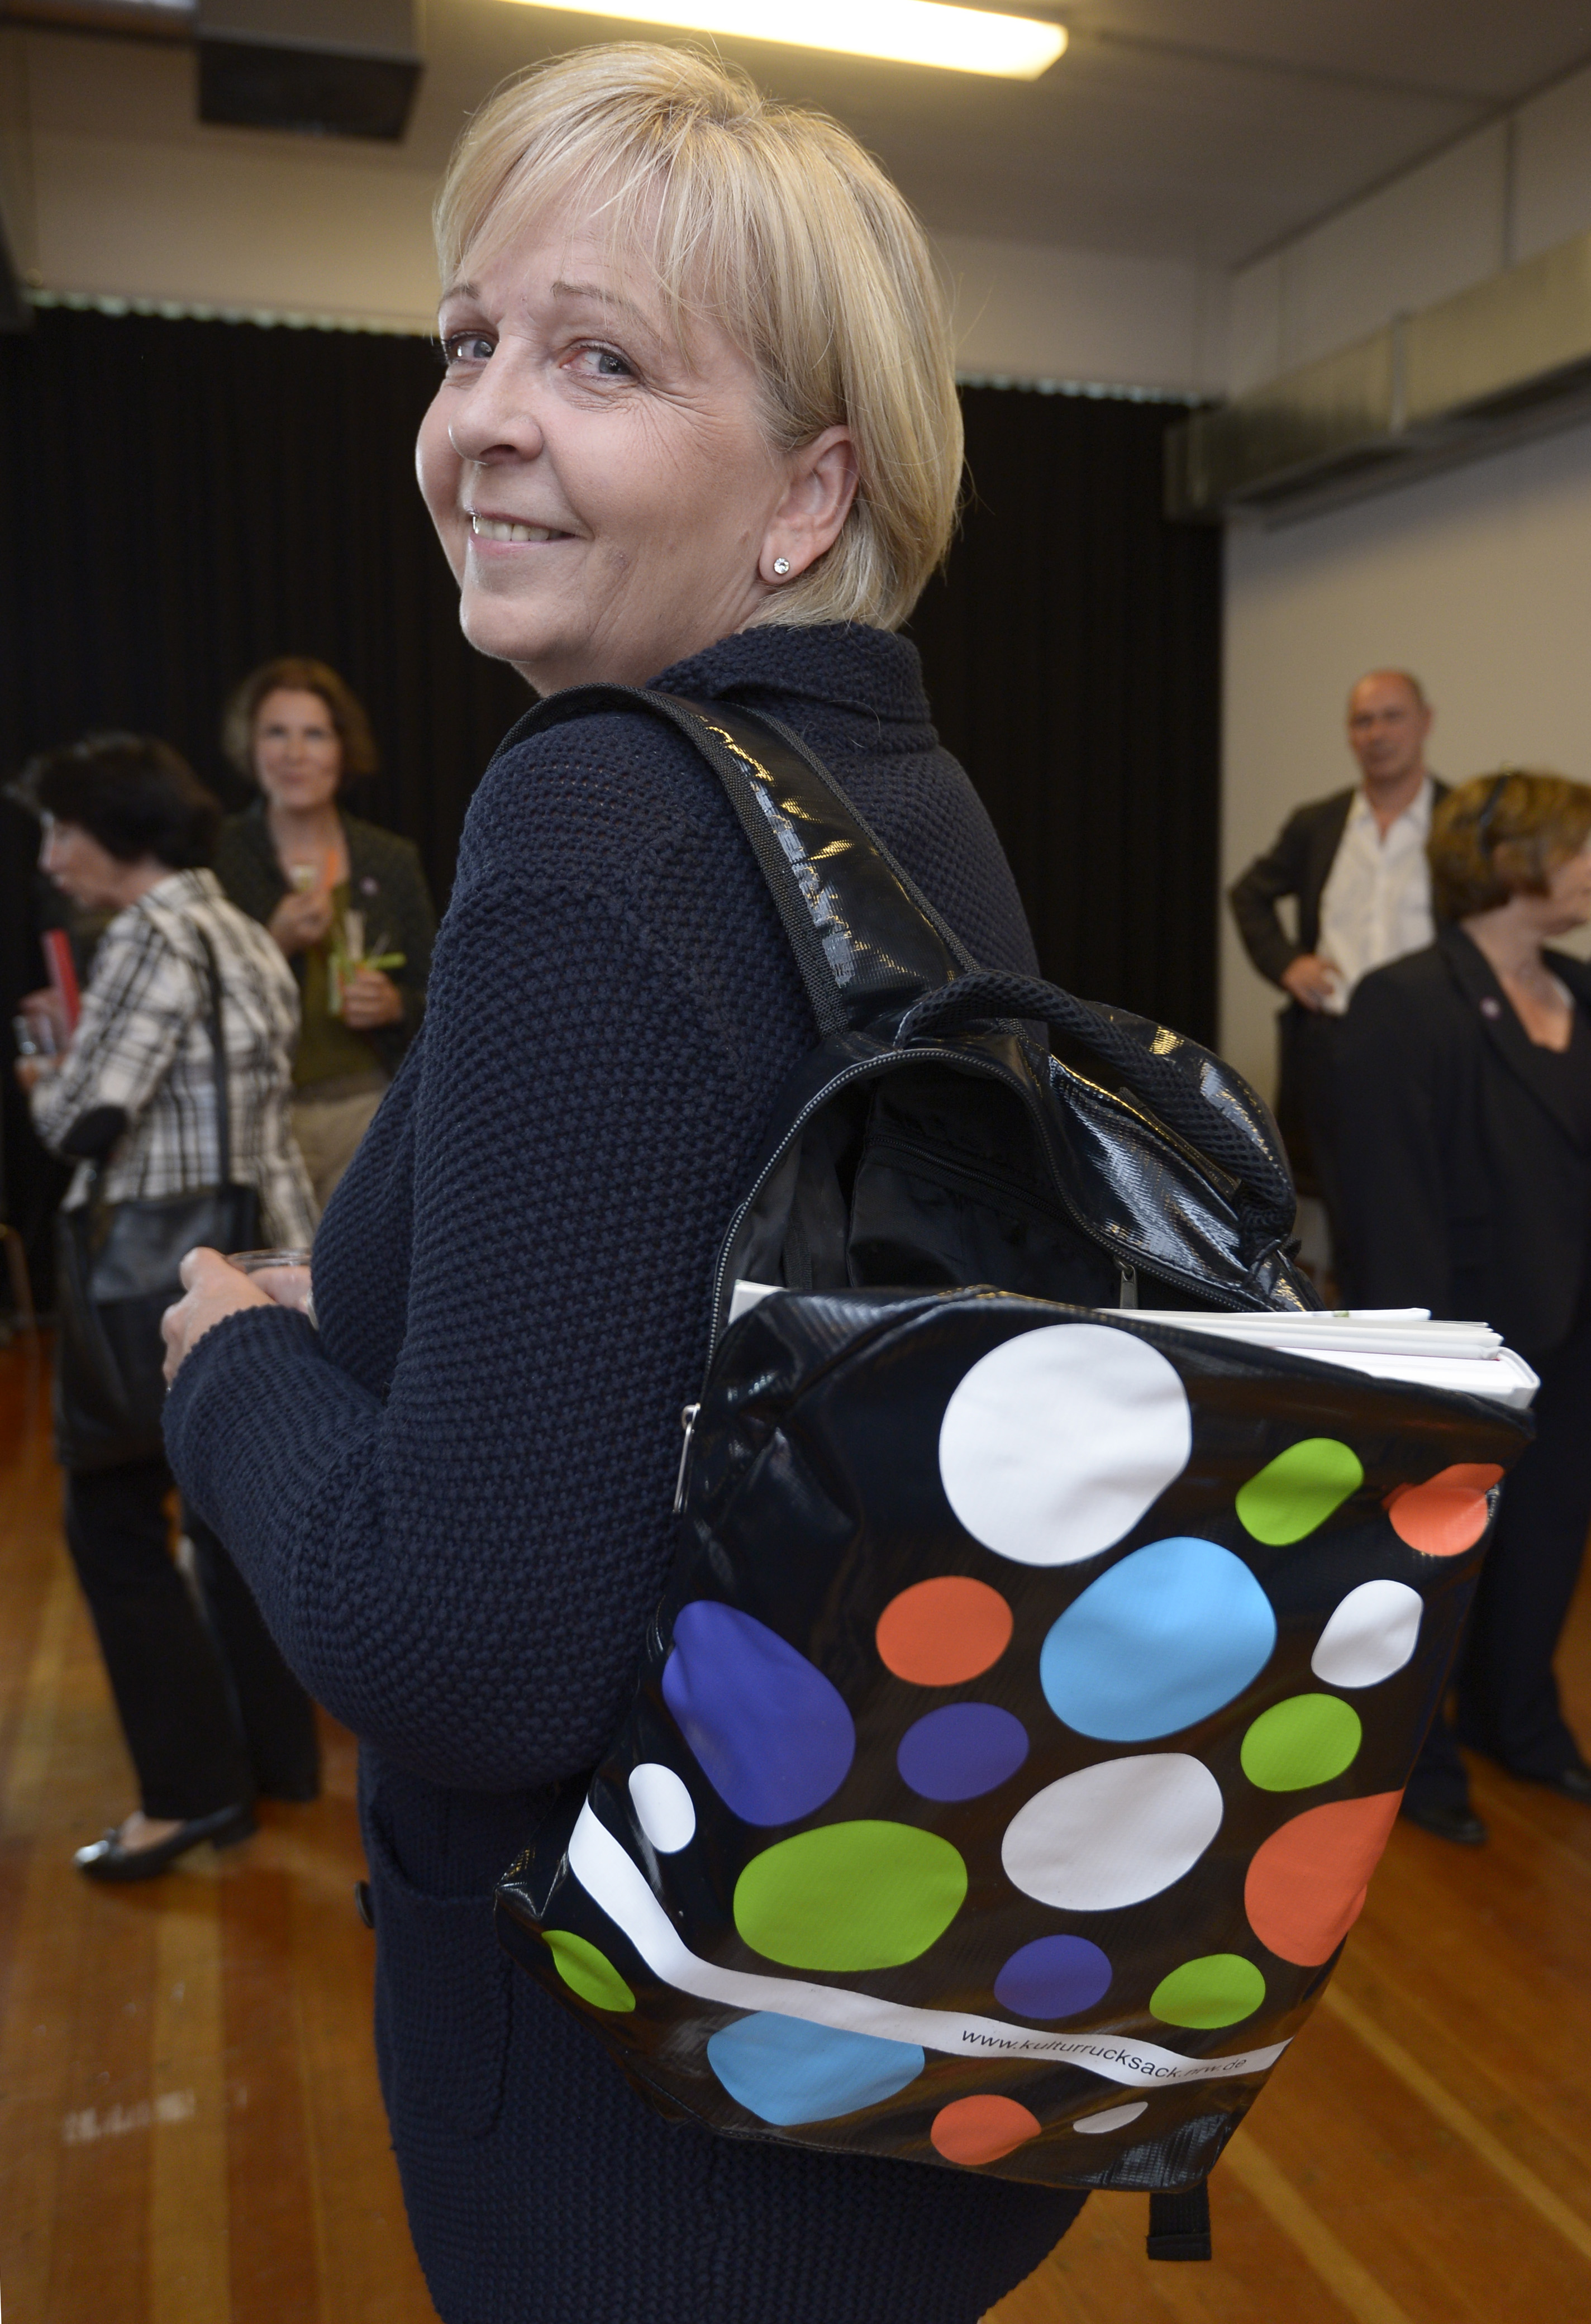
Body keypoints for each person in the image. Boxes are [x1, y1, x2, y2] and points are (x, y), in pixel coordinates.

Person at [158, 46, 1085, 2324]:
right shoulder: (887, 792)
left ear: (804, 492)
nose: (482, 418)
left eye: (598, 361)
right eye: (469, 337)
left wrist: (230, 1368)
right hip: (914, 2051)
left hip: (647, 2164)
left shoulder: (599, 818)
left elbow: (462, 1652)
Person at [15, 734, 320, 1878]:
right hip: (260, 1257)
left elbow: (89, 1120)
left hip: (156, 1278)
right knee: (230, 1520)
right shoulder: (238, 926)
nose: (49, 856)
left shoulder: (149, 933)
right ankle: (280, 1761)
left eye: (60, 829)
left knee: (113, 1525)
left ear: (115, 829)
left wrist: (44, 1075)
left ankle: (190, 1797)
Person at [1335, 770, 1591, 1846]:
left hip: (1571, 1332)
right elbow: (1384, 1209)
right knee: (1435, 1559)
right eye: (1577, 846)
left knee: (1545, 1545)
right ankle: (1414, 1757)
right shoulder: (1403, 1004)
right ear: (1508, 862)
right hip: (1462, 1340)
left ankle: (1514, 1722)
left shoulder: (1580, 991)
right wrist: (1424, 1368)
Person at [1229, 669, 1445, 1253]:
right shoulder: (1318, 823)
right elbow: (1248, 894)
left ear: (1425, 722)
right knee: (1338, 1206)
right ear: (1349, 734)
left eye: (1392, 716)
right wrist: (1285, 963)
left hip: (1432, 1046)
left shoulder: (1459, 821)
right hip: (1333, 1044)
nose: (1377, 733)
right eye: (1362, 721)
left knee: (1427, 1203)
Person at [214, 658, 436, 1215]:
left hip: (367, 1108)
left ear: (343, 748)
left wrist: (396, 1004)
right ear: (250, 746)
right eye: (276, 733)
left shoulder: (389, 858)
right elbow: (193, 999)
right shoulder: (219, 855)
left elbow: (441, 992)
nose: (295, 753)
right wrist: (273, 944)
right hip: (256, 1116)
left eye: (314, 734)